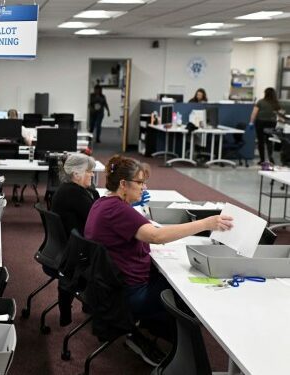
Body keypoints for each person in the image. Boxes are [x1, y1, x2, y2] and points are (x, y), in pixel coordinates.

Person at [84, 155, 232, 365]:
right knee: (187, 291)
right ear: (123, 184)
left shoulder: (103, 203)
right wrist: (206, 223)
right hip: (129, 293)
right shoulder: (118, 210)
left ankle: (153, 333)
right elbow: (156, 236)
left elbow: (146, 233)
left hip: (112, 286)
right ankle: (186, 354)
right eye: (140, 183)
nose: (144, 188)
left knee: (174, 278)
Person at [51, 153, 100, 326]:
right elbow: (98, 219)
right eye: (89, 172)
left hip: (66, 250)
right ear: (77, 174)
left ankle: (90, 304)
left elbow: (94, 205)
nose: (92, 175)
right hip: (77, 253)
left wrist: (93, 192)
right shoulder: (75, 195)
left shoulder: (68, 189)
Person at [250, 87, 281, 165]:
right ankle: (270, 159)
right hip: (271, 123)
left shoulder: (260, 102)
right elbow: (279, 114)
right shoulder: (276, 103)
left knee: (261, 141)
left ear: (265, 93)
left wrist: (251, 122)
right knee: (269, 140)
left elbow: (254, 113)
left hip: (261, 122)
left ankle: (262, 159)